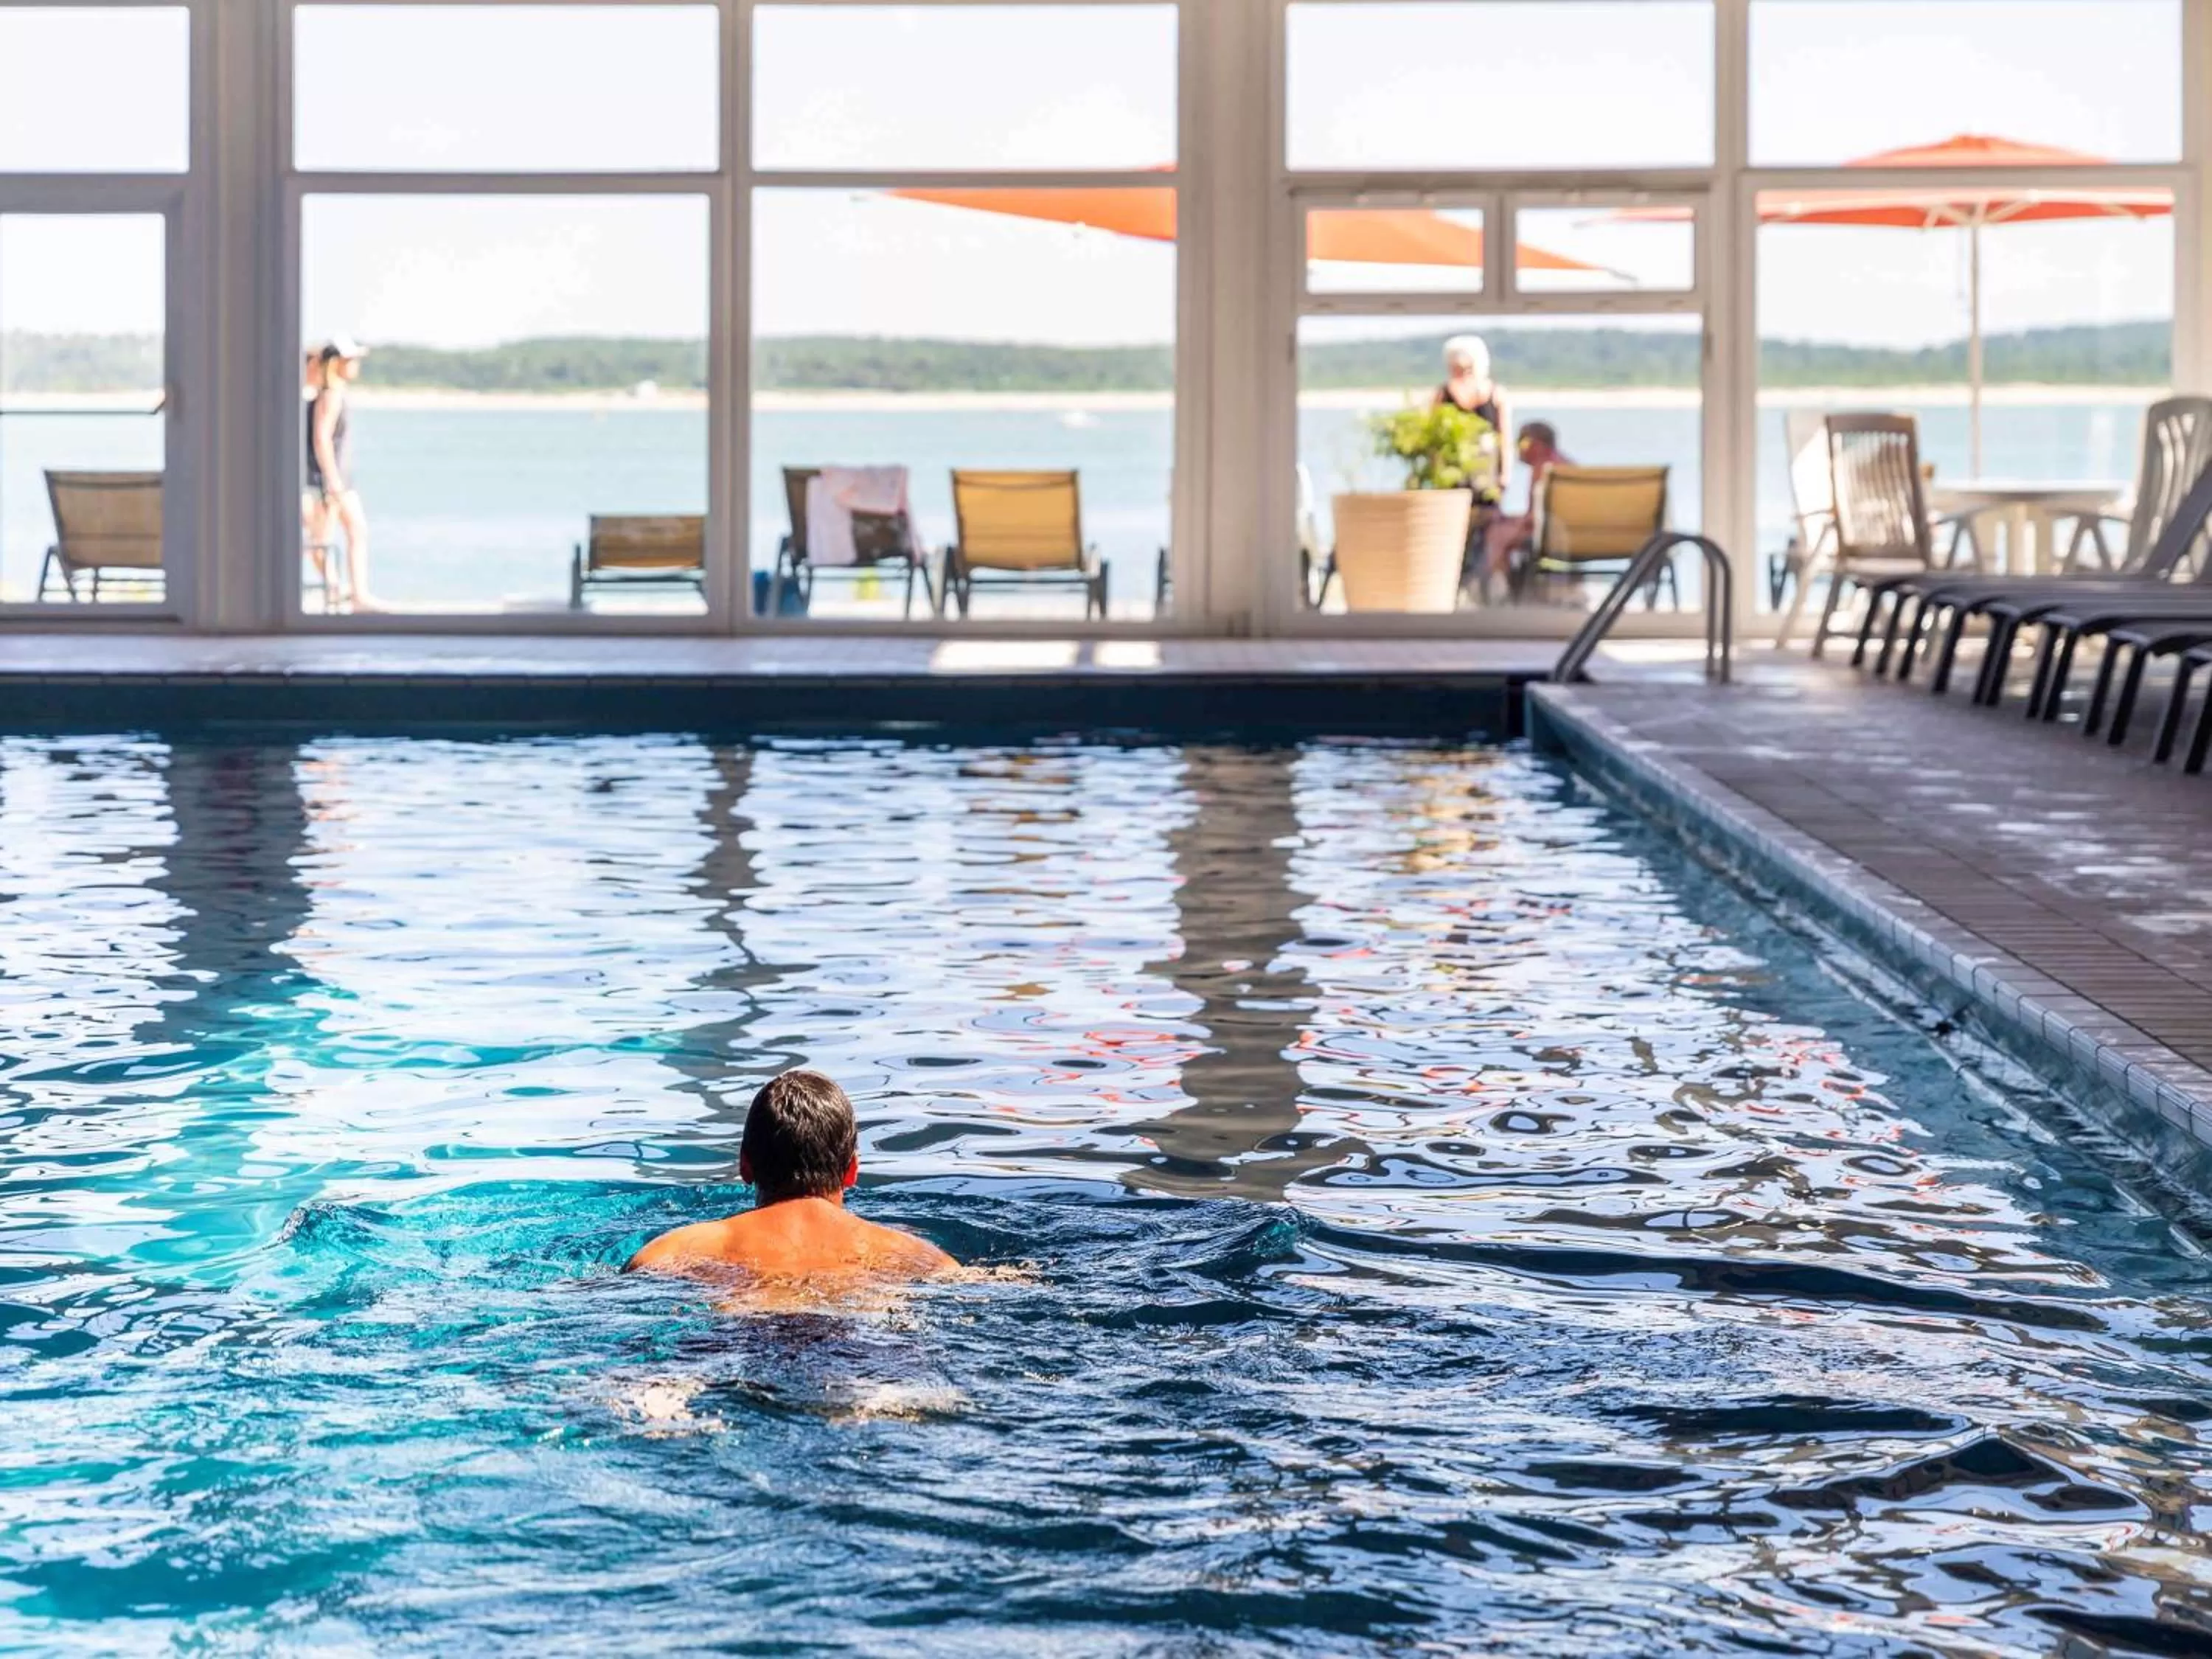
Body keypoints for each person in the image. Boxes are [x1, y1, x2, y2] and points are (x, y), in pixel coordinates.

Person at [625, 1070, 957, 1287]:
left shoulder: (677, 1249)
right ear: (852, 1170)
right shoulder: (912, 1254)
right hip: (861, 1344)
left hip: (741, 1341)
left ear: (745, 1165)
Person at [308, 336, 373, 611]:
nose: (356, 365)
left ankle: (347, 591)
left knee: (349, 533)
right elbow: (321, 439)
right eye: (352, 360)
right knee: (327, 539)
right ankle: (349, 593)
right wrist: (332, 480)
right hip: (334, 480)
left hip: (338, 479)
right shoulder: (330, 395)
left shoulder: (330, 393)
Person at [1484, 421, 1574, 587]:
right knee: (1504, 525)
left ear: (1537, 444)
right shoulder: (1567, 465)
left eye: (1522, 442)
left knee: (1496, 533)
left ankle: (1499, 588)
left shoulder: (1544, 469)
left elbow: (1535, 518)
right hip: (1574, 533)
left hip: (1552, 535)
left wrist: (1509, 521)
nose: (1518, 448)